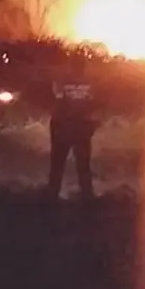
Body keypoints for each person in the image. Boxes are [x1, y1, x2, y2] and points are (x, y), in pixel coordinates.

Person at [46, 61, 99, 201]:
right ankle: (88, 198)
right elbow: (93, 105)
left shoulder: (62, 82)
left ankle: (51, 197)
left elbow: (57, 102)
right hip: (81, 128)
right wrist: (91, 126)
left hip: (63, 128)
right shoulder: (91, 83)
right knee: (83, 166)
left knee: (57, 164)